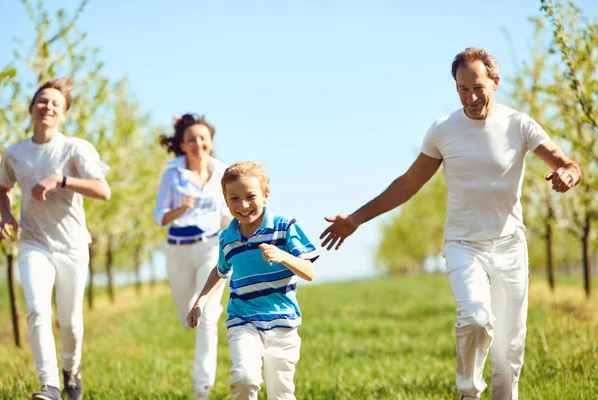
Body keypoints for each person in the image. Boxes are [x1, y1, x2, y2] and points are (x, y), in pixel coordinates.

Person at [320, 48, 581, 400]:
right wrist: (356, 219)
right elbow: (407, 185)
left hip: (509, 245)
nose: (471, 98)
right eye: (462, 89)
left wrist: (568, 173)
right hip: (464, 245)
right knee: (475, 318)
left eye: (477, 87)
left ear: (495, 82)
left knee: (509, 351)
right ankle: (468, 392)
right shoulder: (444, 130)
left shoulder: (519, 125)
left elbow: (568, 163)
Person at [0, 77, 111, 400]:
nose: (48, 107)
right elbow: (2, 186)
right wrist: (6, 214)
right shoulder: (14, 153)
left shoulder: (75, 148)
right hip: (34, 242)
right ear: (31, 108)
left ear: (64, 114)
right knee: (36, 309)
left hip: (72, 245)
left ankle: (70, 369)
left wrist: (62, 180)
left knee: (70, 321)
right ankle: (49, 385)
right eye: (42, 102)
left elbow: (103, 191)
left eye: (55, 104)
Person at [186, 160, 318, 400]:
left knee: (281, 394)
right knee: (245, 379)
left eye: (250, 196)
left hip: (282, 323)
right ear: (226, 201)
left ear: (266, 194)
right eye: (234, 198)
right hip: (243, 320)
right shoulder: (228, 237)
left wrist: (283, 256)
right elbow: (220, 270)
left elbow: (309, 271)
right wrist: (200, 302)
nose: (243, 205)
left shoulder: (284, 227)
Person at [153, 113, 232, 400]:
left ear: (210, 143)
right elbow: (159, 217)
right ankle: (206, 309)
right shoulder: (172, 174)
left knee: (207, 318)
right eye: (191, 139)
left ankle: (202, 390)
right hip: (178, 249)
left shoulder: (224, 173)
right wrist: (180, 210)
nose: (197, 143)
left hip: (211, 247)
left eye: (203, 138)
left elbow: (231, 210)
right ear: (183, 145)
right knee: (186, 314)